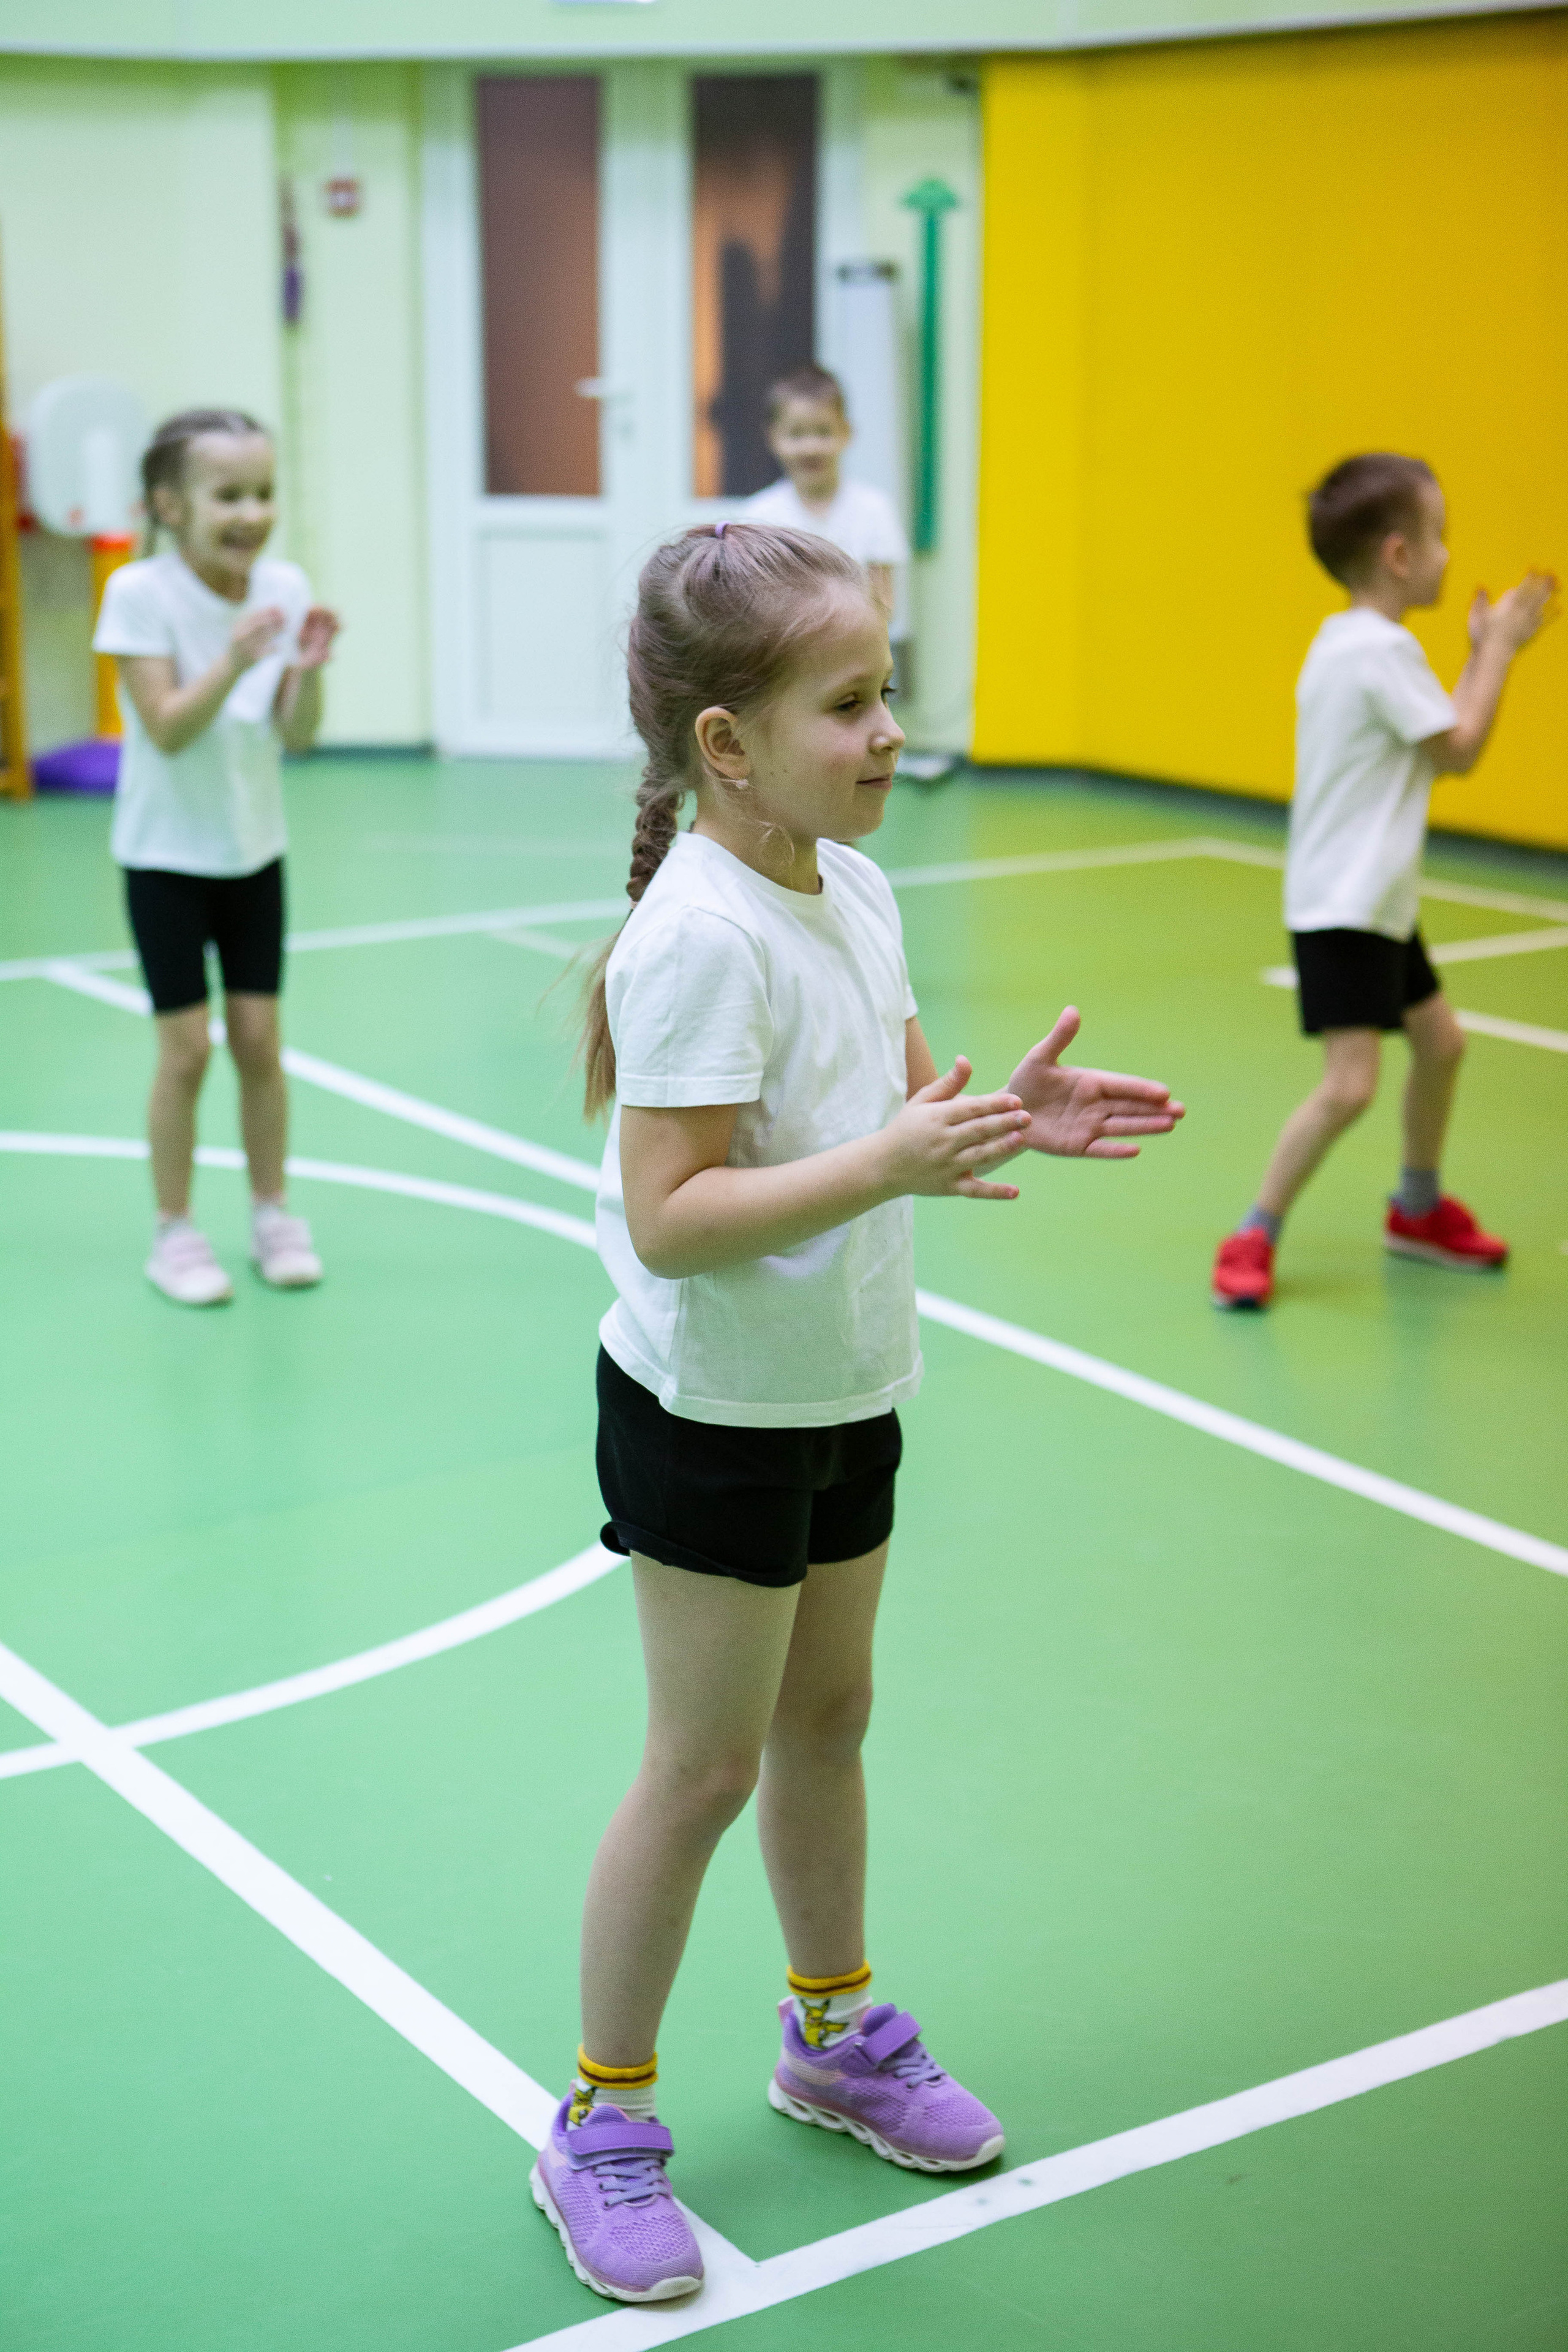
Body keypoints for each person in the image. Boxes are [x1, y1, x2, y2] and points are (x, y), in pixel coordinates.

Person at [530, 521, 1184, 2305]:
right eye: (849, 701)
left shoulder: (848, 880)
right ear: (726, 742)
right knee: (704, 1763)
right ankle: (600, 2113)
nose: (891, 728)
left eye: (886, 690)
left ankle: (831, 2029)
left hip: (842, 1379)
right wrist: (884, 1157)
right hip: (710, 1409)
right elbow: (670, 1208)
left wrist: (993, 1116)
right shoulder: (695, 938)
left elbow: (889, 1100)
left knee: (831, 1719)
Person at [1212, 453, 1555, 1310]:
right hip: (1348, 907)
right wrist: (1501, 648)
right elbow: (1463, 748)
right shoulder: (1381, 650)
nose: (1448, 554)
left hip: (1375, 901)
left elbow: (1442, 739)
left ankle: (1417, 1209)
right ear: (1401, 556)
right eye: (1439, 537)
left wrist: (1481, 653)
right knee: (1351, 1084)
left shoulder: (1350, 645)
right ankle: (1254, 1229)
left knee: (1442, 1045)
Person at [93, 409, 341, 1307]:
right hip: (164, 857)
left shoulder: (281, 582)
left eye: (263, 492)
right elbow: (163, 727)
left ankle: (273, 1214)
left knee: (260, 1043)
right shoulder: (139, 593)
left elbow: (297, 738)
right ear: (169, 503)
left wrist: (304, 669)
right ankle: (175, 1231)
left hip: (253, 850)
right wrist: (238, 659)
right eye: (227, 494)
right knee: (187, 1052)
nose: (251, 512)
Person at [743, 364, 909, 633]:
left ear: (846, 433)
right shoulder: (760, 514)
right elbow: (757, 603)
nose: (811, 447)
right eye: (796, 434)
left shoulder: (874, 507)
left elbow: (885, 603)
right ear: (773, 438)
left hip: (857, 650)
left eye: (823, 432)